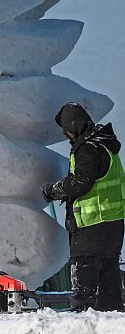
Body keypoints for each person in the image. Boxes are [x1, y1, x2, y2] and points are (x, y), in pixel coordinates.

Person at [42, 102, 125, 312]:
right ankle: (111, 314)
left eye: (66, 128)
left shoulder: (87, 148)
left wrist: (53, 190)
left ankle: (82, 313)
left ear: (74, 125)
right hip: (113, 220)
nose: (64, 133)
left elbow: (80, 183)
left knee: (84, 268)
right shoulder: (106, 145)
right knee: (109, 269)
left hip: (92, 220)